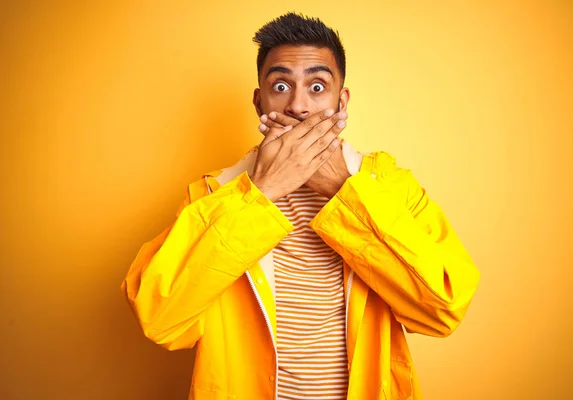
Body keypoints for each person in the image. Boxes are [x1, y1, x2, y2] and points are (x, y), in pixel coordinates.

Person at [122, 12, 480, 400]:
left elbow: (442, 311)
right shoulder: (214, 195)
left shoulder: (392, 188)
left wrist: (345, 192)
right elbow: (159, 317)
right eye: (280, 85)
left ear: (342, 100)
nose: (298, 106)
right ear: (260, 102)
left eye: (317, 86)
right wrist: (259, 194)